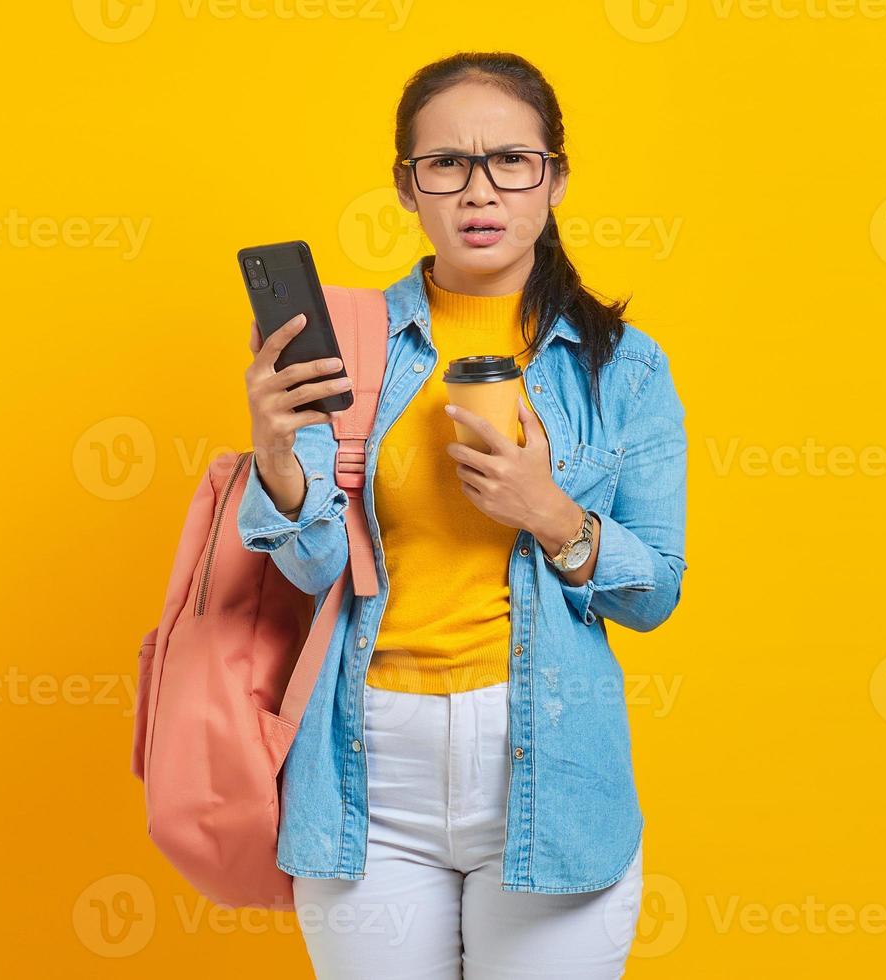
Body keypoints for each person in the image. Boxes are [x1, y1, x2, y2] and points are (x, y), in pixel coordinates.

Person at [238, 51, 689, 979]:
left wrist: (552, 514)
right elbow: (315, 571)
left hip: (551, 770)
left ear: (554, 177)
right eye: (445, 164)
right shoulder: (351, 342)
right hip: (365, 767)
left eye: (510, 162)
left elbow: (655, 595)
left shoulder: (624, 367)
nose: (478, 191)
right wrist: (277, 456)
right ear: (407, 186)